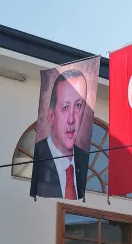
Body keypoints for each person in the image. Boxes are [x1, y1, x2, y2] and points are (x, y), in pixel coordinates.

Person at [31, 69, 91, 199]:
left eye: (78, 106)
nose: (71, 120)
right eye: (65, 107)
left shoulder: (86, 160)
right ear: (51, 116)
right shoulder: (36, 156)